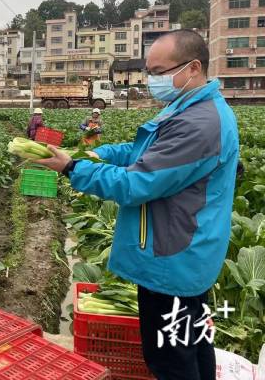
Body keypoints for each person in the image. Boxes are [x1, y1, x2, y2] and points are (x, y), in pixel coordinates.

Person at [36, 30, 239, 380]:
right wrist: (100, 154)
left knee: (170, 360)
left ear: (192, 68)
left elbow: (136, 184)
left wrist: (72, 168)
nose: (150, 80)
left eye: (159, 71)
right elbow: (143, 153)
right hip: (185, 251)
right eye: (149, 71)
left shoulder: (199, 123)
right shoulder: (188, 107)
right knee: (193, 342)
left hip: (172, 256)